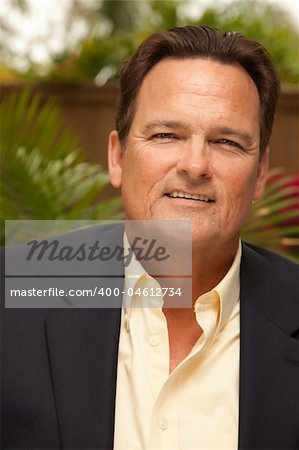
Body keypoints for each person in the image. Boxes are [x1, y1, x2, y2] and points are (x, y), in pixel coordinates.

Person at [1, 26, 298, 450]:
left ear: (261, 174)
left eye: (226, 141)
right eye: (166, 135)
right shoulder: (15, 287)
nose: (195, 165)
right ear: (118, 157)